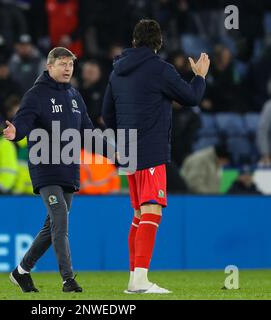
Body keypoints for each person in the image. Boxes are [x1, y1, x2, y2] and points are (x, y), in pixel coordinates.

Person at [102, 19, 209, 294]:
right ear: (158, 42)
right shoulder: (160, 69)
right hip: (150, 149)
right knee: (152, 210)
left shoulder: (117, 72)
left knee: (139, 213)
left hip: (127, 151)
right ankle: (140, 280)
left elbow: (108, 114)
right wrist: (200, 77)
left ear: (134, 40)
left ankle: (134, 279)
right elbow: (190, 98)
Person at [3, 47, 97, 293]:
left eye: (71, 65)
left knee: (51, 227)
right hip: (45, 167)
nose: (68, 69)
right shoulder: (36, 95)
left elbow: (88, 132)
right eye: (63, 64)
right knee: (60, 219)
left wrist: (114, 152)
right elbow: (23, 121)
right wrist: (16, 133)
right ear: (49, 66)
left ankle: (21, 271)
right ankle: (68, 279)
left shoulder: (75, 96)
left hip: (68, 168)